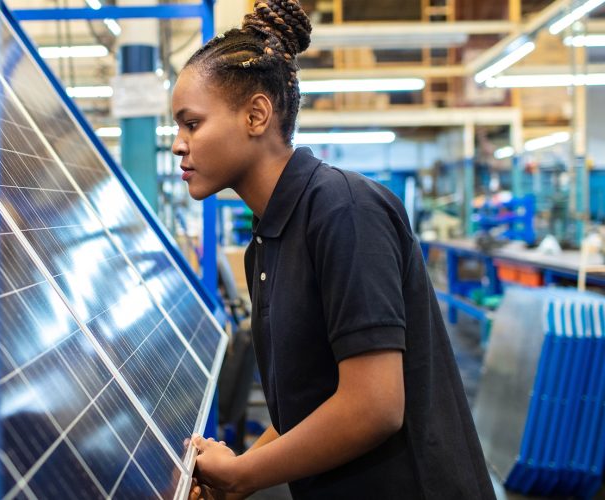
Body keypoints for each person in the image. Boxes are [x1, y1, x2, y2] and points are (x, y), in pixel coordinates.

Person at [172, 1, 496, 499]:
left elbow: (374, 407)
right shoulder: (270, 239)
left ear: (256, 115)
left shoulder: (343, 212)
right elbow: (313, 404)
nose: (178, 144)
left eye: (191, 123)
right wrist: (237, 473)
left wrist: (246, 475)